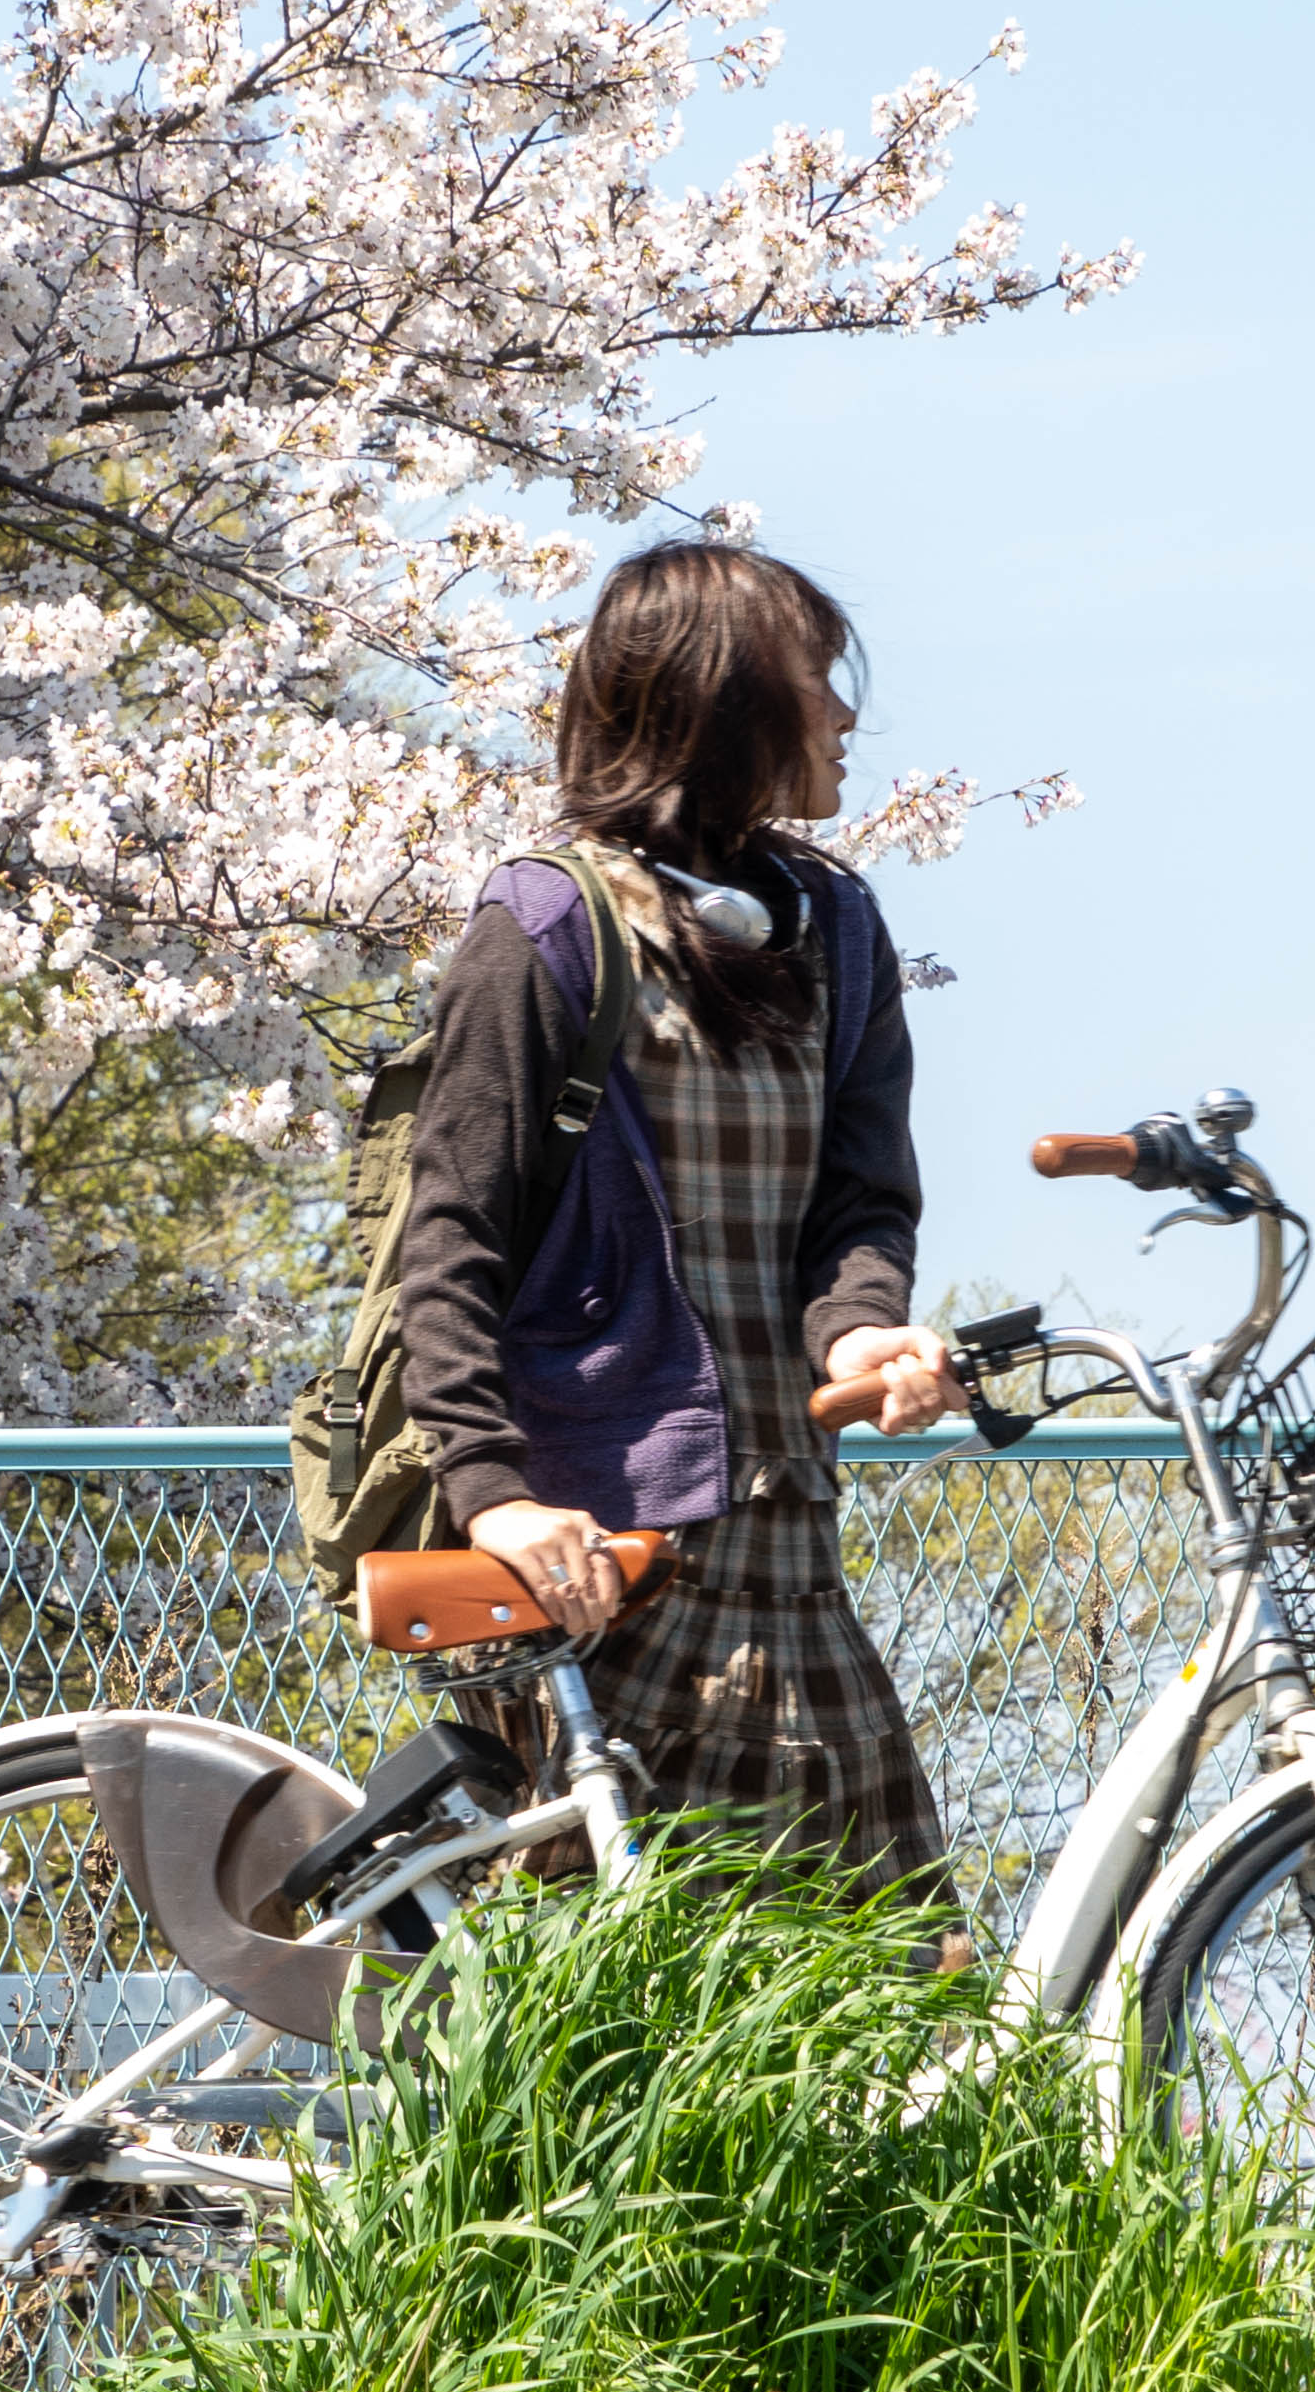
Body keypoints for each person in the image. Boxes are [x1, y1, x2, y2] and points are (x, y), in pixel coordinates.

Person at [390, 536, 960, 1901]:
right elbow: (451, 1233)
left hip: (787, 1535)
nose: (844, 715)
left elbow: (860, 1203)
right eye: (815, 678)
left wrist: (863, 1336)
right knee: (622, 2030)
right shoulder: (548, 928)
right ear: (724, 704)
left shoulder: (838, 927)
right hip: (604, 1560)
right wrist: (496, 1496)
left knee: (905, 1991)